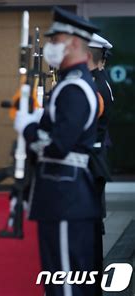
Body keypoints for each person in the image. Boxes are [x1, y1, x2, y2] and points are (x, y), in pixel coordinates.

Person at [14, 7, 101, 295]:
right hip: (62, 193)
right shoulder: (69, 84)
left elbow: (58, 146)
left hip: (66, 194)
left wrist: (27, 128)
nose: (51, 46)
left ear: (75, 43)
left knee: (65, 281)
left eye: (56, 39)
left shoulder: (73, 88)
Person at [88, 33, 115, 295]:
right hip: (93, 161)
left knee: (89, 226)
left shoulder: (95, 86)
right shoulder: (96, 82)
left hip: (89, 163)